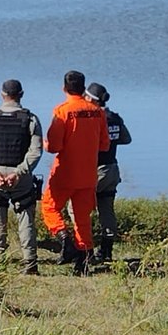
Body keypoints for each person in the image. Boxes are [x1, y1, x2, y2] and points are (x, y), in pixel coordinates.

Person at [39, 70, 110, 276]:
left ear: (64, 88)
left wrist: (44, 144)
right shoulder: (98, 112)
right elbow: (104, 145)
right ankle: (84, 259)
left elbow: (53, 147)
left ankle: (65, 241)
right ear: (83, 88)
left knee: (49, 208)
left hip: (65, 173)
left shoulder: (62, 111)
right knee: (82, 218)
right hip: (88, 174)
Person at [0, 79, 43, 274]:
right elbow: (36, 151)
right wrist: (19, 173)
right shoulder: (30, 119)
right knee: (25, 216)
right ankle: (30, 262)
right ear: (21, 94)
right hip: (20, 176)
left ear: (2, 94)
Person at [85, 82, 132, 265]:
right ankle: (107, 250)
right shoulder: (115, 118)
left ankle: (85, 249)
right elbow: (126, 139)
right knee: (107, 210)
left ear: (90, 98)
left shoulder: (94, 118)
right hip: (112, 168)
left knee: (79, 210)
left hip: (95, 171)